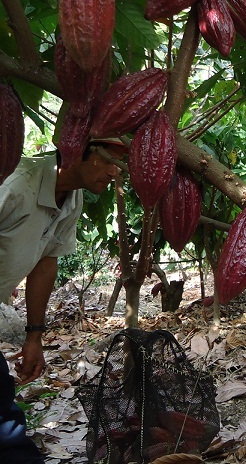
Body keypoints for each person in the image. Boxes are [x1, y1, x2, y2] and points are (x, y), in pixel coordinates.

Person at [0, 139, 125, 462]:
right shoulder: (15, 185)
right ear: (75, 154)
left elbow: (46, 262)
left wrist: (34, 336)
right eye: (109, 161)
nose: (115, 173)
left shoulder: (73, 199)